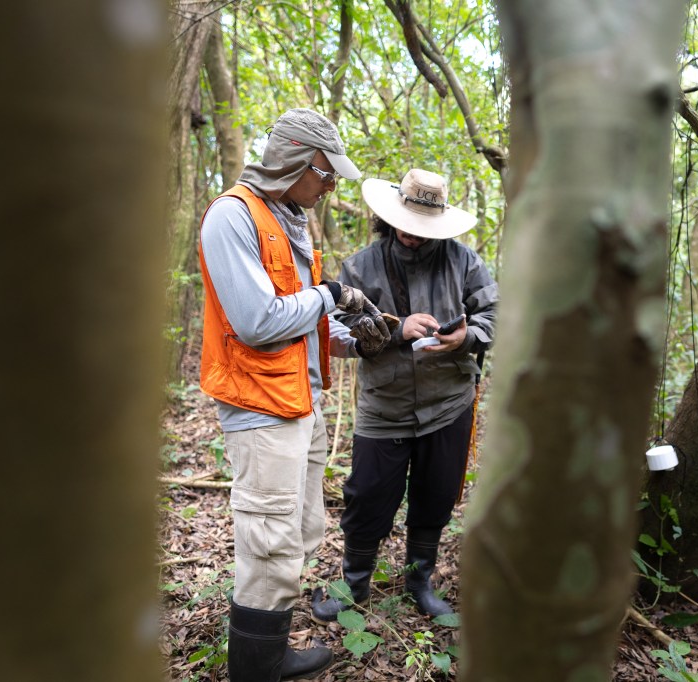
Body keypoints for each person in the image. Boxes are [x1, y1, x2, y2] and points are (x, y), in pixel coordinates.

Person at [197, 108, 390, 682]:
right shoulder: (233, 216)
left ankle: (270, 651)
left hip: (299, 402)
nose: (330, 187)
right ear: (299, 162)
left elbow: (300, 323)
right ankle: (255, 670)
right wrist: (330, 295)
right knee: (268, 538)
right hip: (259, 409)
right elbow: (259, 321)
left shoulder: (288, 219)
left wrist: (359, 343)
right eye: (326, 175)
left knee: (300, 530)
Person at [311, 168, 499, 623]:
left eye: (422, 229)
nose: (412, 236)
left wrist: (468, 335)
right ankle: (354, 582)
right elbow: (340, 333)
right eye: (405, 225)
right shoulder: (359, 267)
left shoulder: (464, 262)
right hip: (385, 404)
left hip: (449, 402)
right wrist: (396, 329)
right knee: (368, 494)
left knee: (435, 496)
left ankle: (419, 580)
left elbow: (496, 313)